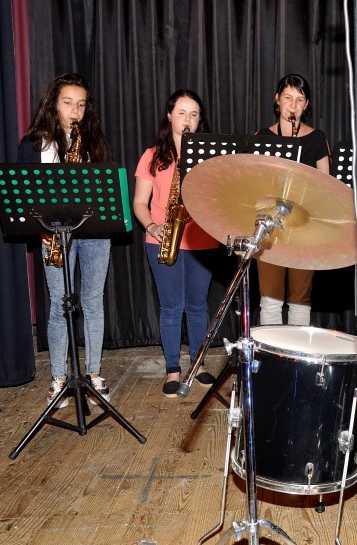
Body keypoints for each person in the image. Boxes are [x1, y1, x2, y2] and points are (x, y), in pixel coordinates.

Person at [17, 73, 113, 408]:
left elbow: (105, 189)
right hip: (55, 233)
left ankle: (94, 373)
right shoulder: (35, 145)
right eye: (68, 103)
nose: (75, 111)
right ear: (53, 104)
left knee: (93, 302)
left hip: (94, 232)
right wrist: (39, 227)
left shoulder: (93, 141)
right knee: (59, 304)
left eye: (81, 104)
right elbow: (24, 197)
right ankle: (59, 378)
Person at [133, 89, 218, 397]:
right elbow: (139, 203)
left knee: (197, 306)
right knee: (171, 307)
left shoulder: (210, 157)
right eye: (181, 113)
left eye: (194, 114)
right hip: (163, 238)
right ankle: (172, 370)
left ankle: (198, 364)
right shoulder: (152, 155)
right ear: (169, 116)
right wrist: (152, 226)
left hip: (201, 239)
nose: (187, 120)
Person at [254, 74, 331, 326]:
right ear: (277, 100)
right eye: (288, 98)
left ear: (306, 105)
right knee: (270, 300)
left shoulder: (317, 138)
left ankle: (297, 351)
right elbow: (253, 185)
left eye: (299, 99)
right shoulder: (261, 137)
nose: (293, 105)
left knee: (300, 299)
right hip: (270, 225)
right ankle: (272, 351)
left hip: (304, 227)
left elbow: (326, 185)